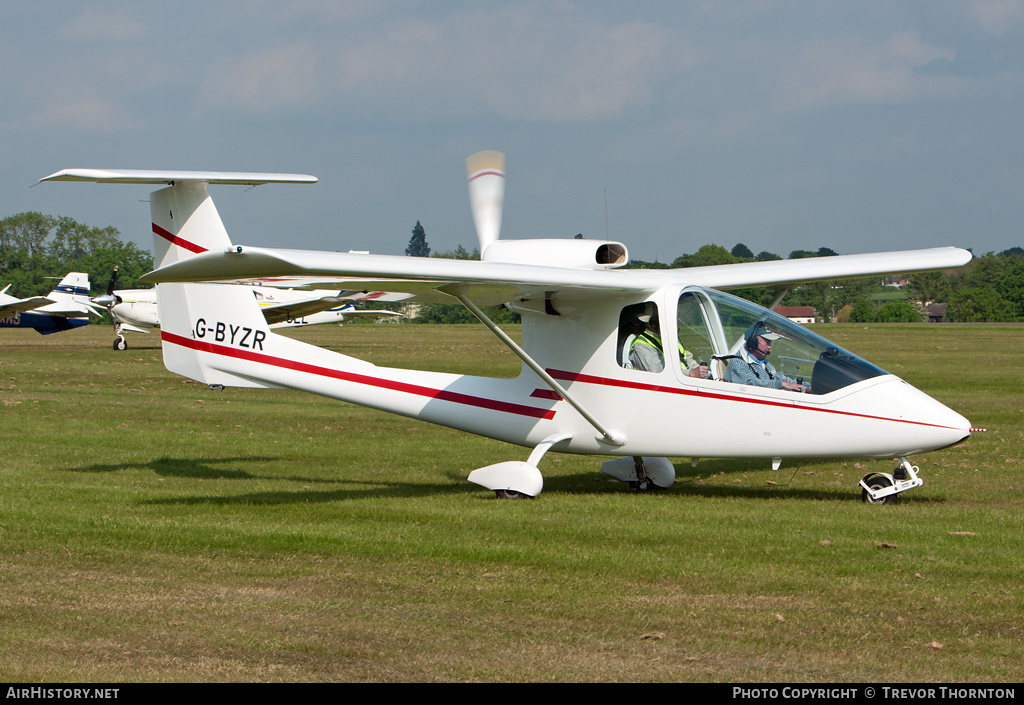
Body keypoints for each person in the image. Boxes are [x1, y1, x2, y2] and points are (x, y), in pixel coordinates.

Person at [724, 321, 807, 391]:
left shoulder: (763, 362)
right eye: (767, 342)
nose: (770, 347)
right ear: (753, 343)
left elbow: (778, 378)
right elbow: (751, 384)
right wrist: (781, 384)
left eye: (770, 343)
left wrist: (806, 386)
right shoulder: (737, 362)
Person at [628, 306, 709, 378]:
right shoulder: (641, 346)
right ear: (653, 323)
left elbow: (686, 359)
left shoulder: (670, 338)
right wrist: (691, 373)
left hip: (682, 382)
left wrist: (703, 372)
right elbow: (659, 372)